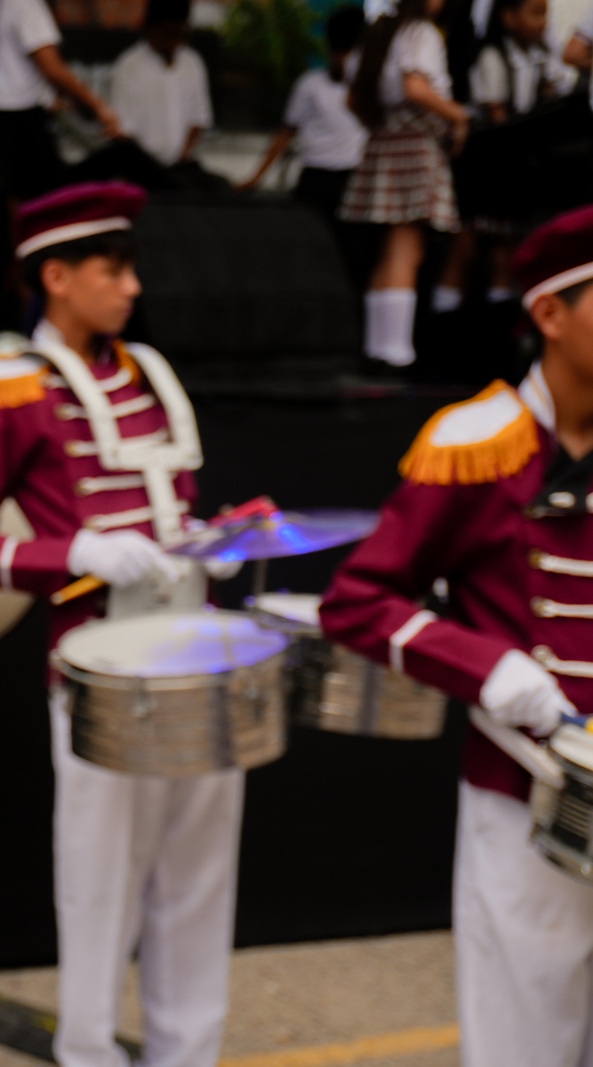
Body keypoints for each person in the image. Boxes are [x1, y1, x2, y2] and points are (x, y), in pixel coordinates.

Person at [0, 182, 242, 1067]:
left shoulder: (149, 371)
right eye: (115, 269)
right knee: (101, 879)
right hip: (97, 670)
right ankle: (89, 1049)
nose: (133, 286)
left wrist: (210, 542)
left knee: (199, 876)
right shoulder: (11, 385)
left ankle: (191, 1050)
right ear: (58, 276)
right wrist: (73, 554)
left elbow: (172, 505)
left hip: (193, 653)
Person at [320, 203, 593, 1065]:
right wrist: (489, 666)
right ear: (549, 313)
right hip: (530, 799)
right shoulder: (476, 444)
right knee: (524, 1039)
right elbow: (358, 601)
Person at [0, 0, 121, 287]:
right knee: (30, 241)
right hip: (17, 129)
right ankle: (34, 329)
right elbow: (51, 67)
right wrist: (98, 106)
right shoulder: (26, 4)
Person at [341, 0, 469, 373]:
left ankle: (378, 347)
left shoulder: (380, 32)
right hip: (416, 141)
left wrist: (381, 124)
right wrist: (458, 115)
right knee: (406, 248)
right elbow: (416, 88)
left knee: (388, 250)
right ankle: (397, 353)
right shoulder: (421, 32)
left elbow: (354, 98)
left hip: (385, 139)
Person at [431, 0, 575, 314]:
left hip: (516, 166)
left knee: (504, 250)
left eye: (545, 15)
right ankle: (443, 317)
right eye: (535, 13)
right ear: (508, 17)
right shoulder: (493, 56)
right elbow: (497, 117)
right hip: (487, 164)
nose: (542, 23)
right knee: (467, 245)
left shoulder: (539, 56)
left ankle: (497, 319)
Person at [237, 6, 367, 215]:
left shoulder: (374, 88)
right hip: (316, 179)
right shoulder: (310, 85)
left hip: (357, 176)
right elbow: (285, 133)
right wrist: (255, 178)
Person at [107, 0, 213, 170]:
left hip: (182, 167)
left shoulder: (192, 62)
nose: (172, 42)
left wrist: (182, 157)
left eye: (178, 34)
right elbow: (123, 131)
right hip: (142, 168)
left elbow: (199, 118)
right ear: (150, 28)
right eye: (167, 34)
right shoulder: (129, 66)